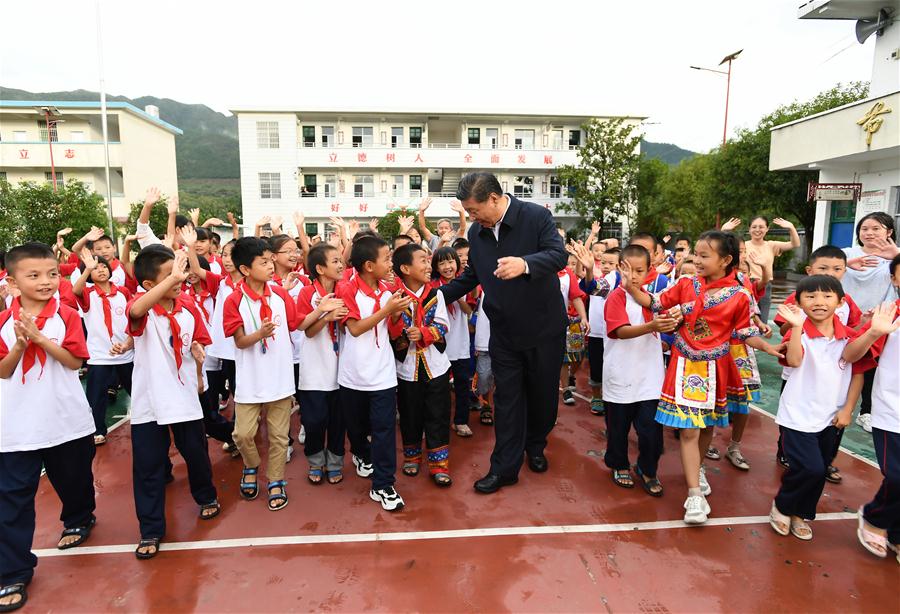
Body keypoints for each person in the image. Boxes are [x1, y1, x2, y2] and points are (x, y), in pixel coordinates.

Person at [623, 231, 783, 524]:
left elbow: (745, 333)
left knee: (706, 424)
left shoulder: (739, 295)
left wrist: (768, 347)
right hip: (684, 363)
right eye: (696, 254)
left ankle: (696, 469)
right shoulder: (686, 284)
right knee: (688, 431)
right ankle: (694, 495)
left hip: (716, 367)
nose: (696, 260)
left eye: (704, 256)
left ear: (726, 260)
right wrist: (632, 288)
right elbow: (655, 303)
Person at [436, 172, 568, 494]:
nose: (472, 217)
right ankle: (504, 468)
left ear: (493, 199)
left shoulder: (535, 217)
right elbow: (472, 276)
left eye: (475, 210)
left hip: (543, 330)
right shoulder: (478, 235)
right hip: (504, 333)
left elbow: (558, 255)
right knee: (507, 401)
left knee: (542, 397)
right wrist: (436, 296)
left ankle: (535, 444)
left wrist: (525, 264)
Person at [0, 243, 97, 613]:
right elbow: (4, 370)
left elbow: (74, 362)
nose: (46, 281)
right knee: (11, 498)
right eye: (34, 275)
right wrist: (20, 346)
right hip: (15, 425)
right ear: (12, 281)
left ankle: (78, 516)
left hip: (64, 419)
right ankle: (13, 570)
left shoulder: (67, 315)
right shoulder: (3, 322)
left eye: (53, 274)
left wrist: (40, 339)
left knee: (73, 480)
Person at [126, 246, 220, 560]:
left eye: (178, 274)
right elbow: (136, 312)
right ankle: (151, 529)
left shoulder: (189, 308)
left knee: (196, 454)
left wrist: (197, 353)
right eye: (169, 275)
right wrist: (172, 280)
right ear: (149, 285)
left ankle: (206, 496)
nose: (179, 280)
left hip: (183, 398)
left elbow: (199, 341)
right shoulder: (143, 308)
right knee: (149, 468)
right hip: (149, 402)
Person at [769, 276, 868, 541]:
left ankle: (801, 513)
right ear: (799, 303)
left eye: (826, 296)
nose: (819, 302)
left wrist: (848, 409)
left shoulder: (850, 337)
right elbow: (794, 360)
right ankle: (783, 504)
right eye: (810, 297)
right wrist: (798, 327)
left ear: (840, 302)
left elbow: (858, 373)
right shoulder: (796, 332)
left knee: (821, 468)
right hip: (797, 413)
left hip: (832, 415)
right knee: (809, 467)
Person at [773, 244, 863, 479]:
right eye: (824, 267)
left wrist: (869, 326)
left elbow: (854, 328)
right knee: (795, 415)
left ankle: (825, 461)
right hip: (801, 365)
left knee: (831, 422)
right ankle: (787, 451)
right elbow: (783, 325)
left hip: (832, 366)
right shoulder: (801, 296)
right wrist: (795, 323)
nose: (831, 273)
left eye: (837, 268)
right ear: (810, 270)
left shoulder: (846, 301)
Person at [222, 237, 299, 512]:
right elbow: (240, 342)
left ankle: (276, 480)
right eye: (263, 262)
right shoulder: (234, 300)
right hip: (250, 381)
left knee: (279, 437)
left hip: (279, 379)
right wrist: (260, 334)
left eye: (270, 261)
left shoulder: (280, 295)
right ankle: (252, 464)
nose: (270, 266)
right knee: (242, 435)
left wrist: (321, 312)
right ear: (245, 269)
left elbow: (296, 323)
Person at [336, 235, 411, 511]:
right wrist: (387, 310)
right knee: (356, 428)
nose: (391, 263)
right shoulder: (346, 289)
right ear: (369, 265)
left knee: (384, 429)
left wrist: (394, 315)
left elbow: (392, 332)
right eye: (387, 258)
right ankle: (359, 452)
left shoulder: (388, 291)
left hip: (382, 374)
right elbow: (354, 329)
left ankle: (383, 484)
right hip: (353, 375)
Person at [603, 245, 675, 496]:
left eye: (639, 270)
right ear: (618, 267)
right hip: (621, 375)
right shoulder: (616, 297)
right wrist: (652, 326)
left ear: (649, 272)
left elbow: (664, 323)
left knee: (651, 432)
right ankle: (619, 464)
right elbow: (620, 331)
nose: (632, 275)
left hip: (650, 379)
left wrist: (663, 332)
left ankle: (647, 468)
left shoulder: (651, 299)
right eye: (627, 269)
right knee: (618, 429)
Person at [841, 274, 900, 560]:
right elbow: (853, 356)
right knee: (898, 477)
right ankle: (875, 517)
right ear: (895, 279)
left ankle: (897, 534)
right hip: (893, 412)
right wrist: (873, 331)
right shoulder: (889, 315)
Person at [389, 243, 453, 486]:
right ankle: (412, 456)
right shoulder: (394, 298)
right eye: (423, 261)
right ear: (405, 268)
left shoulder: (436, 294)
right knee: (409, 413)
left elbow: (443, 326)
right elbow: (390, 331)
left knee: (438, 413)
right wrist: (401, 328)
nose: (429, 266)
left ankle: (439, 464)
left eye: (429, 261)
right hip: (406, 369)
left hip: (436, 365)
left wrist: (424, 333)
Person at [840, 212, 900, 433]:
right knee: (842, 362)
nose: (870, 233)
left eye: (876, 228)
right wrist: (846, 264)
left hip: (880, 319)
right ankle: (836, 405)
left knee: (872, 366)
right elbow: (822, 265)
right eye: (865, 228)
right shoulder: (847, 254)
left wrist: (896, 254)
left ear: (889, 232)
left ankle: (867, 412)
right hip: (847, 319)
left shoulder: (895, 259)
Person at [296, 243, 349, 485]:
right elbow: (306, 331)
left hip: (343, 369)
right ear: (319, 268)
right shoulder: (308, 293)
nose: (341, 265)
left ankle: (335, 462)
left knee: (339, 421)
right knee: (315, 421)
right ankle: (316, 462)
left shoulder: (346, 290)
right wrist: (324, 314)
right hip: (314, 369)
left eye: (341, 260)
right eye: (335, 261)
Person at [72, 248, 134, 446]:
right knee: (96, 395)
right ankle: (98, 429)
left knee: (137, 388)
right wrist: (85, 269)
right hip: (99, 354)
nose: (100, 270)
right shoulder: (88, 294)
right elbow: (75, 290)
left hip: (125, 351)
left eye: (103, 266)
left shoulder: (122, 292)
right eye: (94, 268)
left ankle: (149, 418)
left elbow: (132, 318)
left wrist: (127, 344)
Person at [431, 246, 476, 437]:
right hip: (438, 345)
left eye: (450, 261)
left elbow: (468, 311)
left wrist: (457, 295)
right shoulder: (432, 286)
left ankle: (461, 421)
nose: (447, 266)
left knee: (462, 385)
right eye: (442, 263)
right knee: (437, 390)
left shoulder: (464, 284)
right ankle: (437, 423)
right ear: (436, 267)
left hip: (460, 344)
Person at [721, 216, 800, 324]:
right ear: (749, 229)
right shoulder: (742, 245)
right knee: (739, 317)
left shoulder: (771, 245)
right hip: (741, 282)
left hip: (763, 284)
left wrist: (791, 227)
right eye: (754, 227)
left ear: (767, 229)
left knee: (761, 319)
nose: (757, 230)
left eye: (761, 227)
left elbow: (795, 244)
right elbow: (721, 248)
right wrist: (724, 230)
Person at [558, 252, 589, 406]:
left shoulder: (567, 273)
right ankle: (563, 390)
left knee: (573, 356)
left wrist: (583, 317)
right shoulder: (537, 269)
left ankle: (567, 383)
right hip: (539, 325)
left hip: (567, 323)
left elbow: (575, 296)